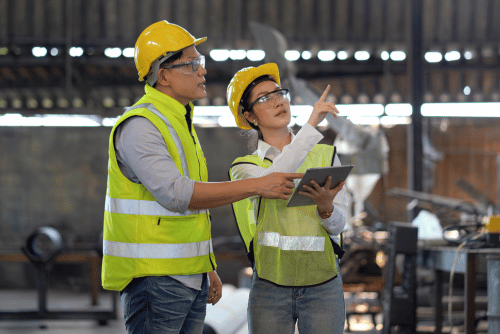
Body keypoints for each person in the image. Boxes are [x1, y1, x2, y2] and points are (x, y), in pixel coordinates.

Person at [101, 22, 302, 334]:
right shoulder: (141, 126)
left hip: (187, 277)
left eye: (201, 63)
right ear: (163, 75)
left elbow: (195, 213)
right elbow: (176, 194)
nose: (202, 72)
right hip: (156, 280)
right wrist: (259, 185)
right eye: (192, 64)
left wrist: (205, 267)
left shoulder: (179, 122)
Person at [227, 63, 348, 334]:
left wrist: (327, 210)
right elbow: (273, 179)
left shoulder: (325, 156)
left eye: (279, 93)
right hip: (269, 287)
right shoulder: (245, 168)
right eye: (265, 98)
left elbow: (340, 227)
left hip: (323, 285)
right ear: (250, 116)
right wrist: (311, 126)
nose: (278, 101)